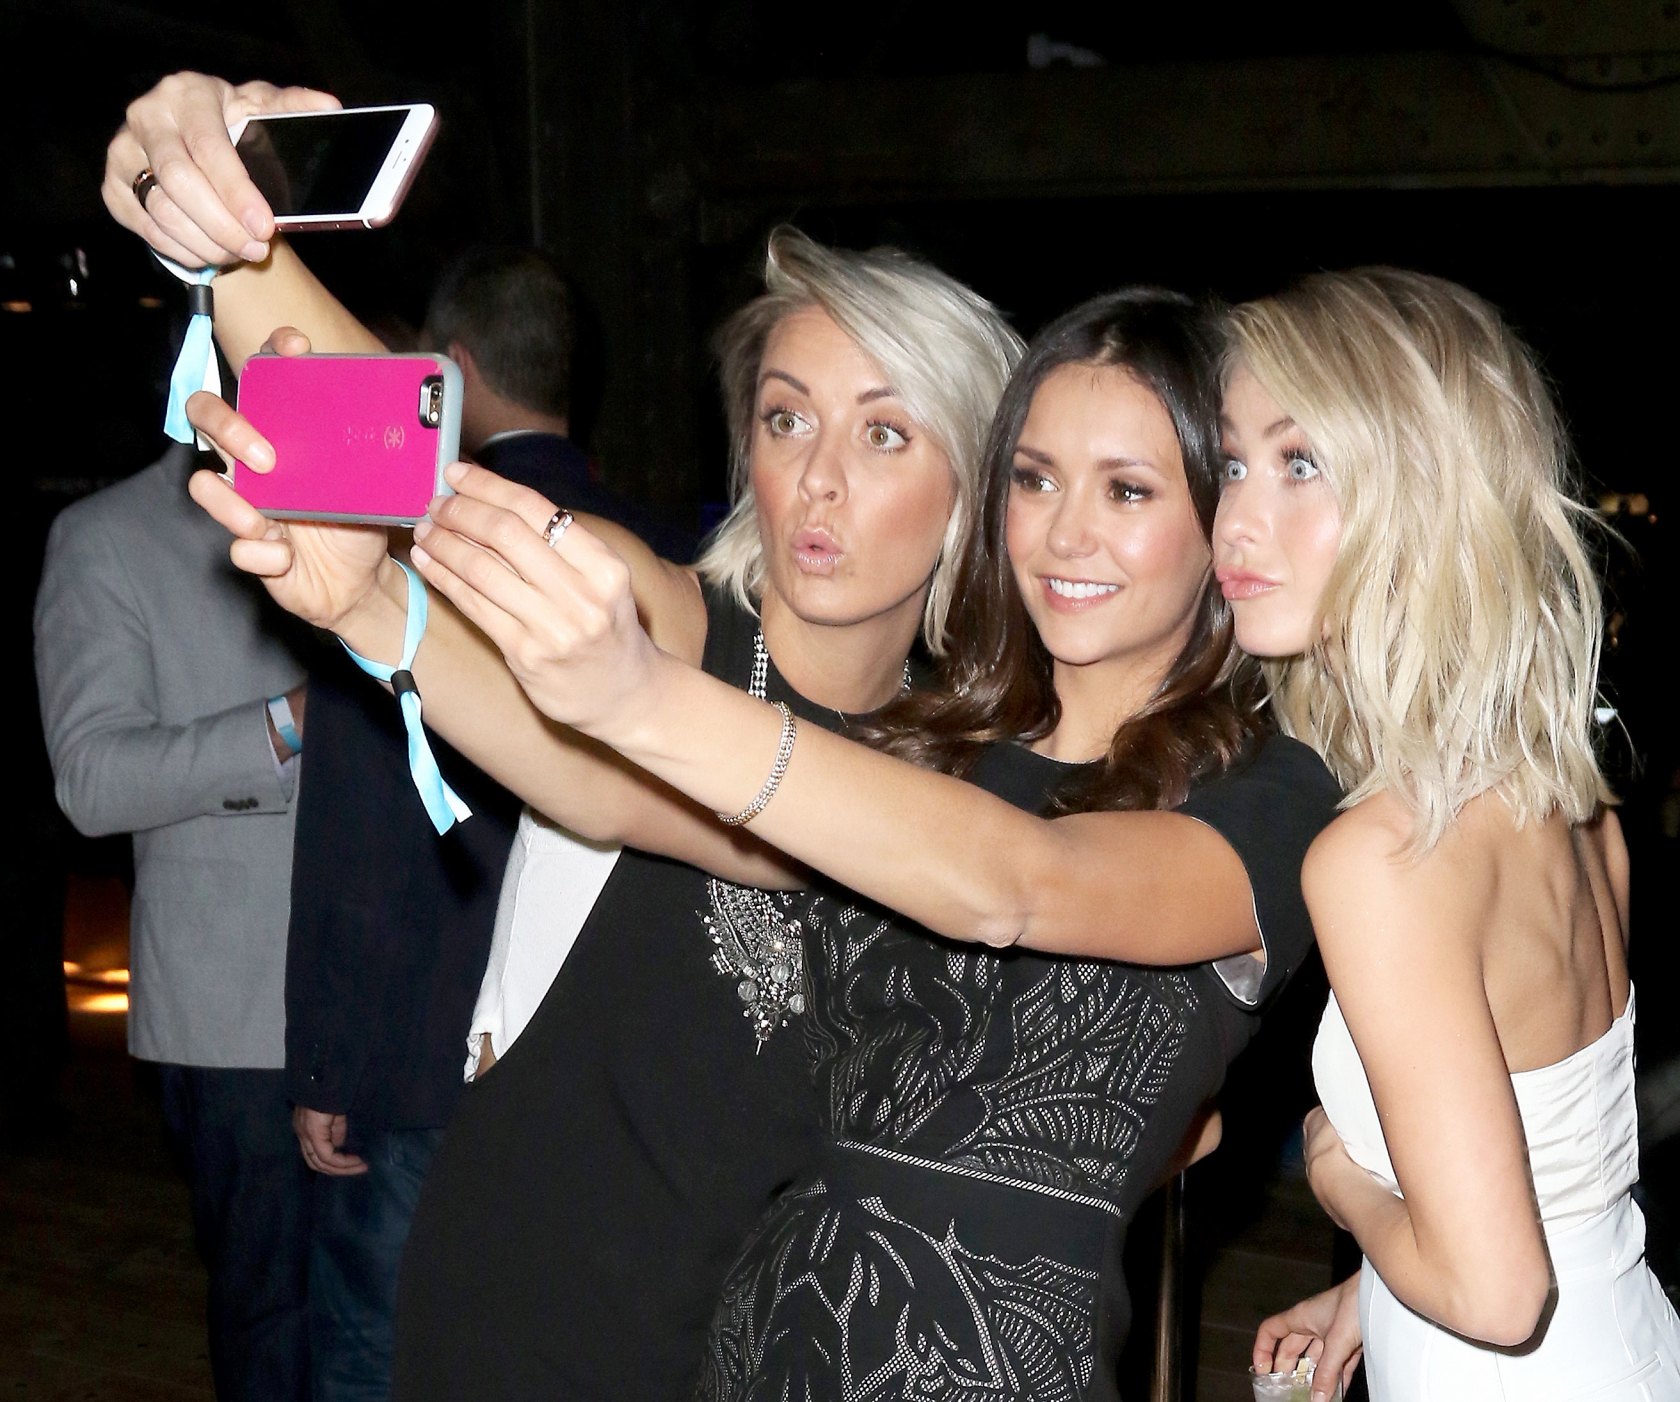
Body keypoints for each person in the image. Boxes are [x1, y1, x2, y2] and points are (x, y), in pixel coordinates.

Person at [105, 69, 1024, 1397]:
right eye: (787, 418)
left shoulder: (970, 774)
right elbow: (431, 472)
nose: (820, 477)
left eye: (886, 433)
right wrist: (217, 226)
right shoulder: (670, 626)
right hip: (523, 1315)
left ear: (969, 488)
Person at [372, 289, 1341, 1398]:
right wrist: (369, 610)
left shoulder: (1273, 797)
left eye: (1127, 489)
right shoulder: (930, 748)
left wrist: (643, 698)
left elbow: (1016, 883)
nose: (1066, 533)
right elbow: (618, 801)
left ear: (1217, 518)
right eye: (1035, 480)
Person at [1216, 270, 1680, 1400]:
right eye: (1232, 462)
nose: (1236, 518)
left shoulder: (1382, 856)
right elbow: (1557, 1174)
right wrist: (1378, 1291)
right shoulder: (1568, 798)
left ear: (1429, 493)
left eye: (1301, 462)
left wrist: (1343, 1184)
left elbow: (1497, 1295)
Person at [283, 245, 664, 1401]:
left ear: (448, 369)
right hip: (604, 1069)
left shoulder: (411, 552)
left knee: (375, 1353)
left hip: (415, 1052)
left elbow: (358, 828)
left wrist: (325, 1056)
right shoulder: (661, 561)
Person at [34, 438, 316, 1401]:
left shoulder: (368, 511)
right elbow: (91, 780)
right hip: (237, 1012)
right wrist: (283, 727)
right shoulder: (108, 536)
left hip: (396, 986)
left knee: (385, 1317)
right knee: (275, 1324)